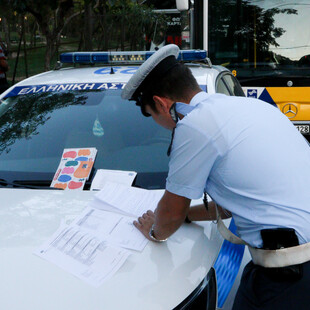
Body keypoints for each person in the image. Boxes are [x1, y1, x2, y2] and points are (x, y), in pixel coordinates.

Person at [121, 44, 310, 309]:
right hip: (290, 270)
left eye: (151, 115)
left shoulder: (195, 126)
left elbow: (170, 217)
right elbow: (236, 201)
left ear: (162, 104)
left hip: (287, 278)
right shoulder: (250, 108)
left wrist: (154, 230)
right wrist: (189, 216)